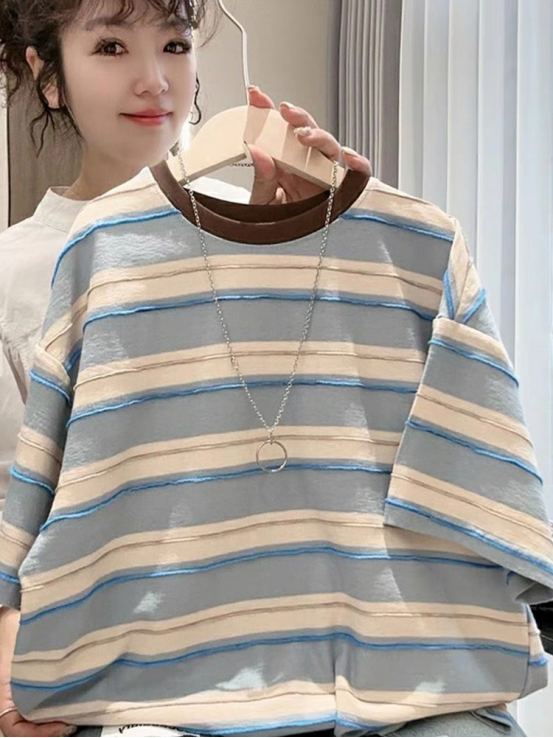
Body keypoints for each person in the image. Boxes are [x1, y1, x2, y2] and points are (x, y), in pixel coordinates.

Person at [0, 1, 372, 736]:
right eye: (111, 47)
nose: (154, 80)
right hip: (120, 663)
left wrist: (337, 253)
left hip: (309, 636)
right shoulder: (15, 277)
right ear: (49, 76)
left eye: (174, 44)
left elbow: (338, 448)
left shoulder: (279, 221)